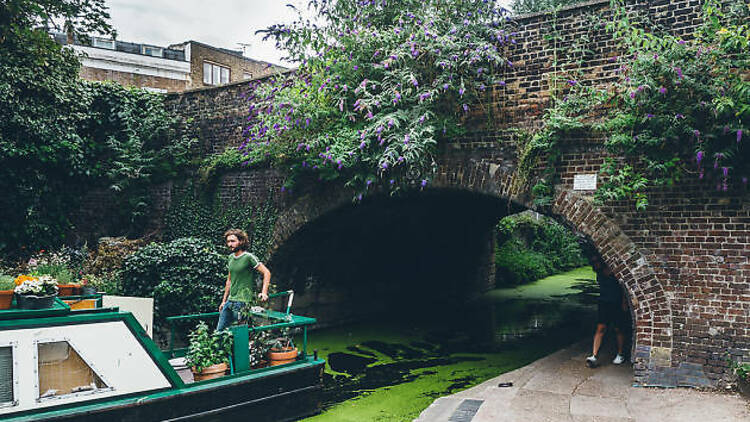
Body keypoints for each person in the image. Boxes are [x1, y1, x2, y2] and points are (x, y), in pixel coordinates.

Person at [216, 229, 271, 331]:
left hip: (243, 302)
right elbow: (229, 280)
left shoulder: (248, 257)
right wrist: (223, 301)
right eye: (228, 241)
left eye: (233, 241)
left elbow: (266, 272)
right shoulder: (230, 258)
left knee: (239, 334)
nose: (230, 244)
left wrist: (264, 292)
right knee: (219, 332)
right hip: (230, 301)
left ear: (241, 241)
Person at [586, 256, 628, 368]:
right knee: (600, 328)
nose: (594, 265)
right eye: (592, 263)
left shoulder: (614, 272)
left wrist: (624, 302)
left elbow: (623, 286)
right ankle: (594, 355)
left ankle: (620, 354)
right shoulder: (599, 274)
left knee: (618, 328)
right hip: (604, 303)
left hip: (616, 302)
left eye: (595, 262)